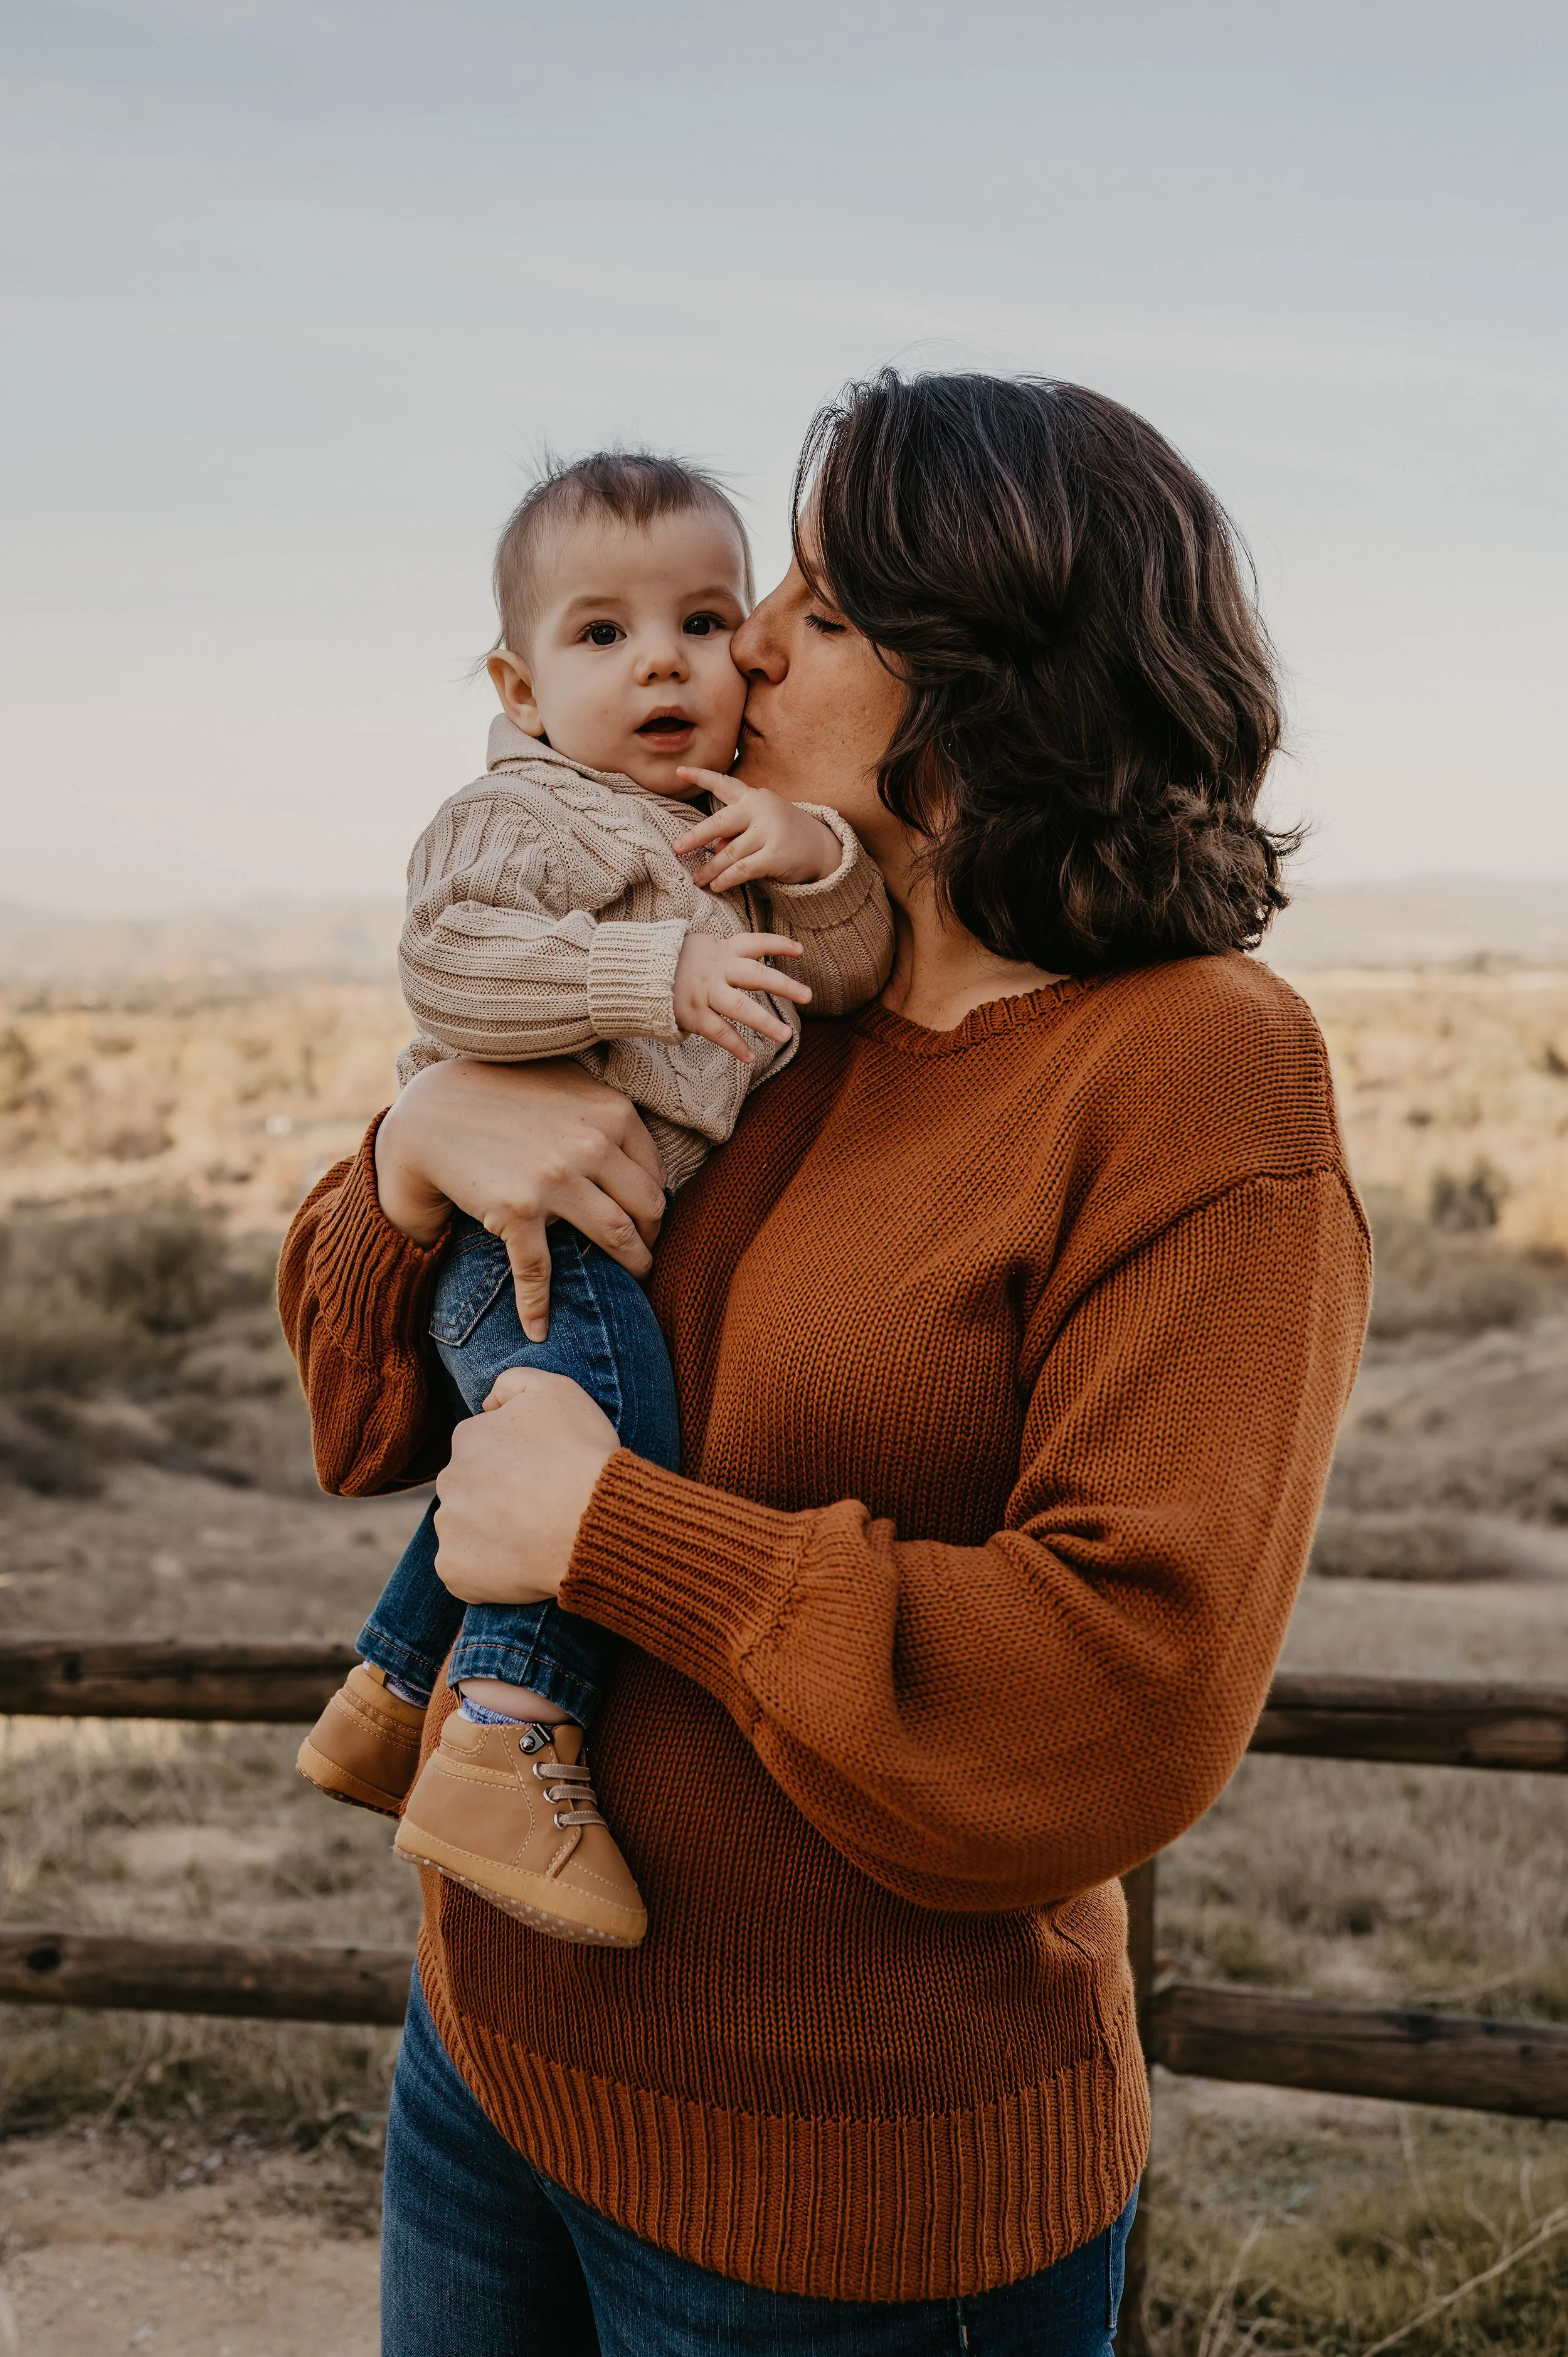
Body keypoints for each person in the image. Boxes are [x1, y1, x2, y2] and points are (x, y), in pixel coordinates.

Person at [279, 371, 1371, 2354]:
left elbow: (1118, 1693)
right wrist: (405, 1161)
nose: (747, 641)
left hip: (843, 2200)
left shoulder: (1196, 1065)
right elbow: (367, 1419)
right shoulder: (766, 1003)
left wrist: (615, 1532)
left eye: (825, 604)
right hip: (493, 2054)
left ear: (996, 677)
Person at [294, 450, 893, 1949]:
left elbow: (850, 971)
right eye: (602, 635)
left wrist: (814, 855)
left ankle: (389, 1690)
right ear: (519, 684)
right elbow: (451, 961)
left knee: (542, 1442)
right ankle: (507, 1728)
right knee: (605, 1425)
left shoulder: (721, 816)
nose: (670, 663)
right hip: (520, 1242)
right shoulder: (530, 813)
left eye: (701, 619)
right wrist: (657, 971)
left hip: (584, 1223)